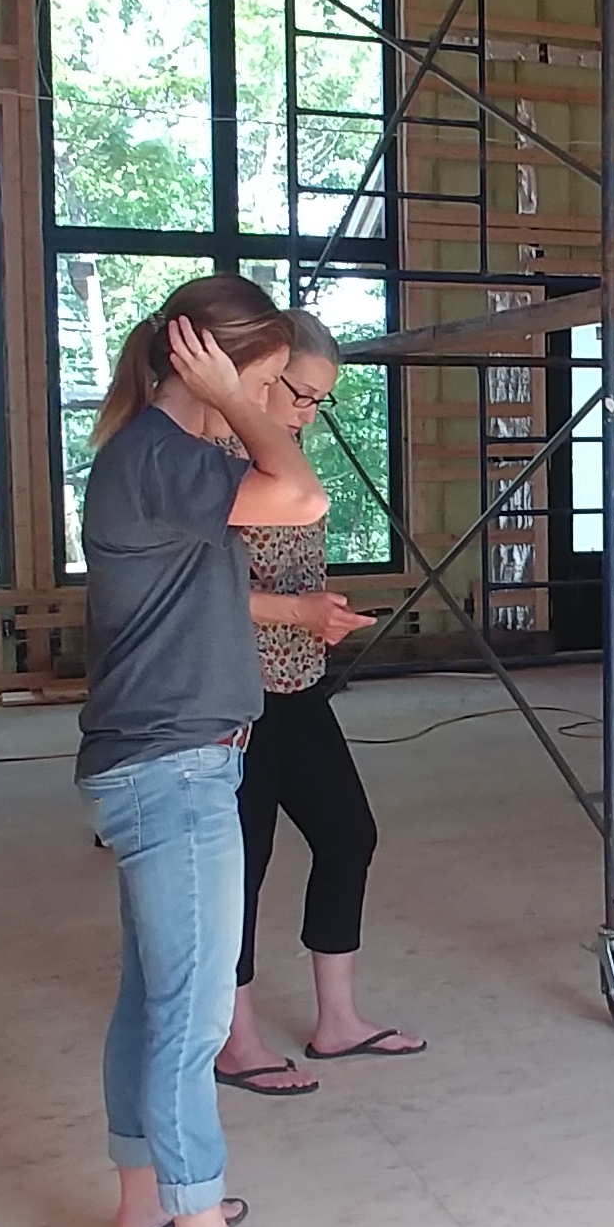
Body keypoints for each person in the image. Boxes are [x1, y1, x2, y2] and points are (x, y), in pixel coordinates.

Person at [81, 274, 336, 1227]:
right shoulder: (156, 454)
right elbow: (304, 494)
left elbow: (273, 500)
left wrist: (235, 405)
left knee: (151, 1000)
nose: (277, 407)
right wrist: (233, 399)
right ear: (207, 365)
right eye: (269, 381)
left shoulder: (163, 460)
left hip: (167, 760)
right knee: (189, 1023)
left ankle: (145, 1202)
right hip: (176, 767)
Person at [209, 311, 426, 1097]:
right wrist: (297, 612)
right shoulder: (208, 459)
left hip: (297, 684)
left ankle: (339, 1020)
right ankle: (236, 1041)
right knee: (243, 866)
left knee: (348, 835)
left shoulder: (283, 452)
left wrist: (315, 614)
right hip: (233, 696)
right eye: (299, 394)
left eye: (319, 401)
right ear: (258, 379)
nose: (306, 412)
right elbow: (201, 592)